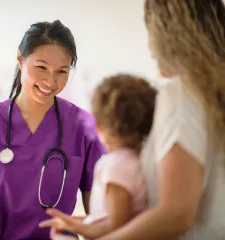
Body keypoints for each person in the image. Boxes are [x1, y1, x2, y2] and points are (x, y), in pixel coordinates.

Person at [0, 20, 106, 240]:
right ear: (20, 59)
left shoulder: (83, 127)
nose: (50, 80)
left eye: (61, 71)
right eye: (41, 67)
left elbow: (96, 212)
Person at [95, 1, 225, 239]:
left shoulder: (181, 93)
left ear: (164, 34)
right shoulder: (213, 94)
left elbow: (176, 213)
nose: (150, 50)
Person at [39, 74, 157, 239]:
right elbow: (108, 218)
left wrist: (78, 230)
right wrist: (74, 223)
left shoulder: (116, 167)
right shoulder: (137, 160)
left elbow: (116, 227)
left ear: (99, 125)